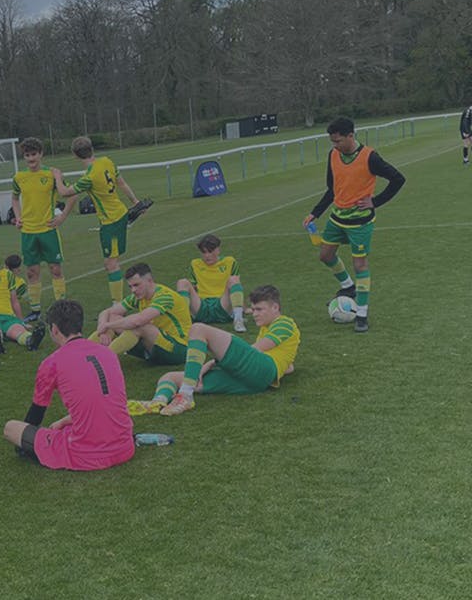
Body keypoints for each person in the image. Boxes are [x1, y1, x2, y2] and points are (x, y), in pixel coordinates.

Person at [3, 300, 135, 471]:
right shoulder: (108, 353)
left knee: (11, 428)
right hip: (125, 447)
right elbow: (103, 401)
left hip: (87, 455)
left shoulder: (52, 362)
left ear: (54, 329)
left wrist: (26, 441)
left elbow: (36, 413)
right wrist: (64, 421)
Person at [302, 117, 406, 333]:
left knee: (360, 265)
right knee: (325, 255)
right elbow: (332, 189)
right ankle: (348, 287)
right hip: (337, 218)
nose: (335, 146)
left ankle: (362, 314)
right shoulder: (333, 155)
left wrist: (374, 202)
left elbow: (398, 179)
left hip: (360, 222)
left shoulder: (370, 157)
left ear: (351, 135)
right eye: (332, 142)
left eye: (338, 141)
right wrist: (315, 213)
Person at [139, 285, 301, 416]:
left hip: (261, 371)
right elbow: (289, 366)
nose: (254, 314)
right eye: (253, 309)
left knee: (198, 329)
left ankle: (186, 395)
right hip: (252, 382)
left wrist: (212, 362)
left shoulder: (284, 322)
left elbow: (256, 350)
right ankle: (157, 402)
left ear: (275, 307)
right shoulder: (268, 328)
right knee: (170, 377)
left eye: (259, 309)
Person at [57, 136, 141, 303]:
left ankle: (118, 303)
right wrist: (136, 202)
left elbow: (64, 192)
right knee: (112, 261)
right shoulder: (107, 162)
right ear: (92, 149)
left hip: (111, 221)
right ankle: (122, 300)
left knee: (111, 264)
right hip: (119, 214)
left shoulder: (89, 177)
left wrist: (57, 176)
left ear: (75, 155)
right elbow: (122, 183)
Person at [11, 137, 68, 321]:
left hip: (48, 231)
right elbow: (14, 198)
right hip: (28, 233)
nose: (30, 159)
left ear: (41, 154)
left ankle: (61, 309)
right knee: (31, 272)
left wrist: (62, 216)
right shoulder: (19, 177)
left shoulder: (51, 175)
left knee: (55, 270)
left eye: (33, 154)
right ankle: (35, 311)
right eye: (27, 155)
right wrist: (18, 217)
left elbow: (71, 195)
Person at [89, 263, 190, 366]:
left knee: (141, 326)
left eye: (136, 285)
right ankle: (83, 354)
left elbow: (138, 321)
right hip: (155, 345)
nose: (133, 290)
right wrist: (102, 329)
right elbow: (106, 312)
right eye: (130, 286)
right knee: (112, 318)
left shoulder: (165, 296)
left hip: (179, 349)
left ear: (149, 281)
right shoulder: (139, 296)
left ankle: (101, 359)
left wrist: (107, 325)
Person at [177, 234, 246, 333]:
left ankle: (238, 320)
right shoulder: (195, 264)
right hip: (202, 306)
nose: (207, 256)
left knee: (234, 279)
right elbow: (193, 287)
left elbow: (236, 286)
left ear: (218, 250)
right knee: (182, 282)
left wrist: (243, 307)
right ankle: (183, 322)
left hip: (222, 305)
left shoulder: (230, 262)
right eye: (204, 252)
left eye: (210, 251)